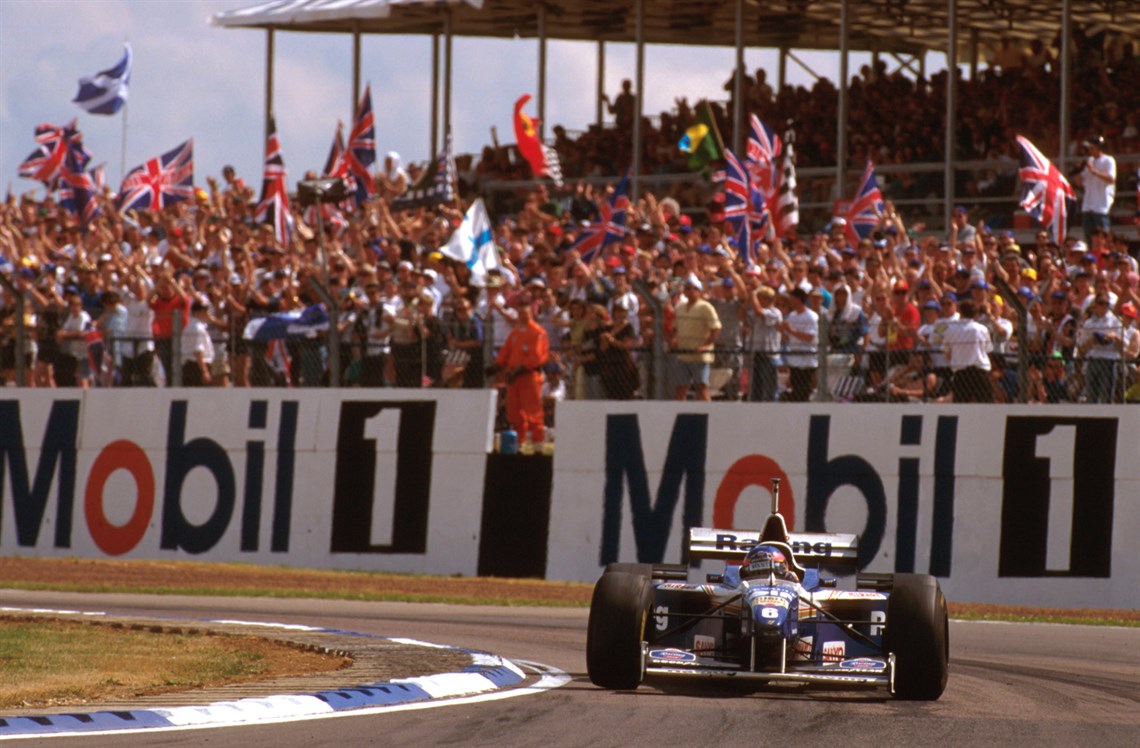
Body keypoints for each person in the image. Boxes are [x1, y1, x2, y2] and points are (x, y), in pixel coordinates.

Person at [495, 298, 550, 447]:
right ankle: (520, 442)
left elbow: (536, 357)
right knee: (514, 412)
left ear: (531, 313)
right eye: (520, 313)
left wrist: (519, 369)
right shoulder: (516, 332)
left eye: (525, 313)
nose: (522, 316)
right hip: (514, 377)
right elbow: (506, 351)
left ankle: (538, 444)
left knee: (533, 411)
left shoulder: (537, 332)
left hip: (529, 376)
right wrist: (497, 365)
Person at [670, 275, 721, 401]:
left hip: (699, 356)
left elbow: (716, 328)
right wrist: (674, 339)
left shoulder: (705, 307)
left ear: (699, 291)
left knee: (701, 387)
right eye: (688, 288)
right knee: (680, 388)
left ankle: (709, 416)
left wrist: (706, 346)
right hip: (683, 354)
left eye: (694, 289)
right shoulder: (680, 308)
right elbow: (676, 328)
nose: (691, 291)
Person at [942, 299, 993, 402]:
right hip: (980, 373)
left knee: (961, 407)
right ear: (975, 314)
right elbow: (988, 350)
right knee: (986, 406)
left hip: (961, 374)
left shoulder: (950, 330)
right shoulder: (982, 329)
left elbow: (947, 354)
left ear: (960, 312)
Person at [779, 288, 819, 402]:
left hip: (807, 360)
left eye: (792, 299)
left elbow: (810, 337)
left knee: (804, 389)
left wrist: (791, 330)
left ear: (798, 299)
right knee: (795, 389)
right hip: (794, 359)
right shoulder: (792, 316)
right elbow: (787, 338)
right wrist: (781, 330)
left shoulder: (811, 316)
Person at [1077, 135, 1117, 241]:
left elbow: (1111, 178)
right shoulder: (1089, 160)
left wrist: (1094, 171)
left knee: (1103, 236)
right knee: (1089, 236)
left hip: (1100, 205)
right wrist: (1079, 170)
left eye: (1092, 147)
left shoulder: (1108, 160)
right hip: (1087, 205)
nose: (1089, 150)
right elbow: (1080, 183)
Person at [180, 300, 214, 387]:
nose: (206, 313)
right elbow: (198, 351)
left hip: (192, 366)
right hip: (196, 367)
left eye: (206, 310)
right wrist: (204, 371)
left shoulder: (191, 326)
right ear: (195, 313)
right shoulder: (197, 328)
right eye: (202, 311)